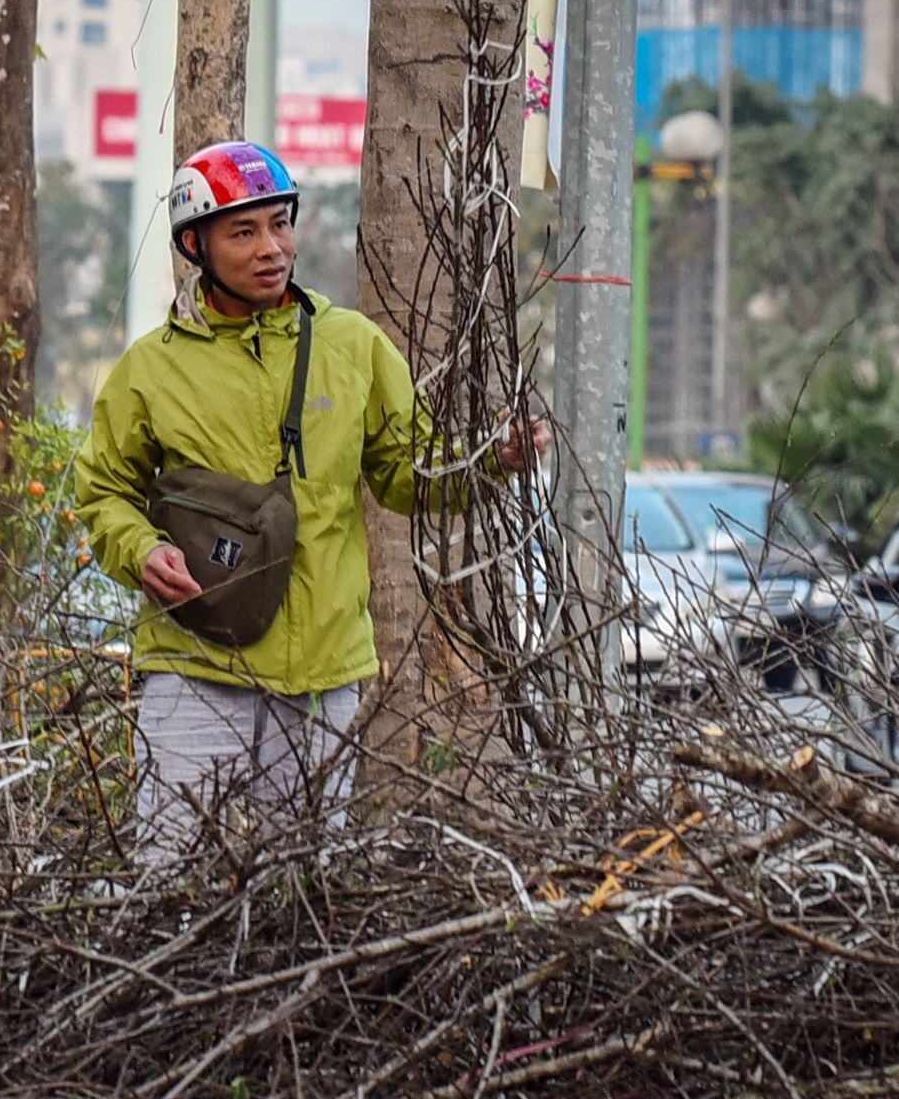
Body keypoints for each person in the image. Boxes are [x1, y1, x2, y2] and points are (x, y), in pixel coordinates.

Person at [75, 141, 546, 859]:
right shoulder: (150, 367)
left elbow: (406, 473)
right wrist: (142, 551)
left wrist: (493, 460)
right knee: (169, 879)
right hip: (196, 667)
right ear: (194, 245)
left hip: (326, 675)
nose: (272, 248)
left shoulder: (353, 346)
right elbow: (104, 492)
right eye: (244, 231)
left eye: (280, 224)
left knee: (302, 889)